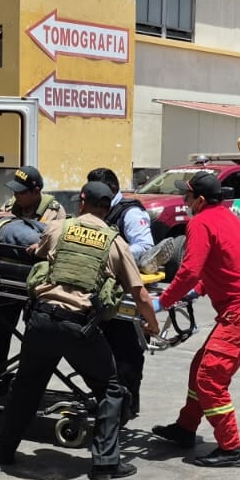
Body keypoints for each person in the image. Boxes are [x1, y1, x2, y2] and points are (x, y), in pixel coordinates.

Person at [0, 181, 160, 479]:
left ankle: (4, 449)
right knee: (111, 389)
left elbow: (39, 253)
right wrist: (152, 325)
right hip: (79, 328)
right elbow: (140, 293)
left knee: (27, 386)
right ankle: (105, 463)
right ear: (108, 208)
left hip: (41, 322)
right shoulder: (115, 243)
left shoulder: (58, 228)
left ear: (82, 201)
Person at [151, 171, 240, 468]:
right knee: (199, 368)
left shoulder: (200, 222)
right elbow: (226, 264)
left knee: (210, 378)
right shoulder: (229, 218)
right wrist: (199, 290)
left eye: (187, 195)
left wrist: (163, 302)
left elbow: (189, 271)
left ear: (200, 200)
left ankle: (232, 448)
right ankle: (185, 428)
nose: (184, 200)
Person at [0, 166, 67, 386]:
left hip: (35, 283)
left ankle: (25, 384)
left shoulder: (55, 211)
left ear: (36, 191)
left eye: (21, 192)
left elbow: (57, 242)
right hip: (10, 278)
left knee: (33, 334)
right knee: (1, 331)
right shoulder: (12, 205)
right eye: (15, 191)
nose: (16, 196)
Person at [87, 167, 154, 420]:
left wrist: (111, 253)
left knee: (127, 352)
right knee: (102, 351)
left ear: (112, 190)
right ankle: (108, 401)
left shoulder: (130, 212)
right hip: (102, 292)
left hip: (125, 293)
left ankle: (127, 404)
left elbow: (145, 247)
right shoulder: (96, 210)